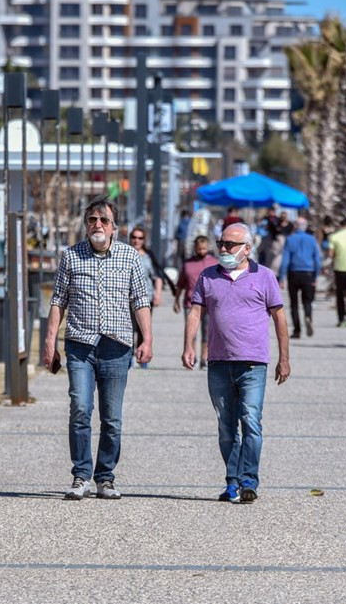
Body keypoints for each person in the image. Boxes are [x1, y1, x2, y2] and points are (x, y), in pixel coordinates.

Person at [42, 197, 152, 501]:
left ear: (115, 227)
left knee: (112, 417)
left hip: (117, 347)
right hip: (80, 346)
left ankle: (105, 477)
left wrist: (147, 339)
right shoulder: (71, 257)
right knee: (80, 408)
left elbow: (140, 301)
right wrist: (50, 342)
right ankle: (81, 474)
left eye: (104, 220)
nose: (97, 225)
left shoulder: (130, 258)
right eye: (92, 219)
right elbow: (58, 301)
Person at [182, 223, 290, 504]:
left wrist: (284, 359)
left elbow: (279, 318)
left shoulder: (265, 277)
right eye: (221, 243)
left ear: (247, 248)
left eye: (230, 244)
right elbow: (195, 313)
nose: (224, 249)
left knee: (251, 422)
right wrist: (188, 346)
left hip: (253, 364)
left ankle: (248, 481)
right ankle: (232, 481)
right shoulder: (208, 276)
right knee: (226, 426)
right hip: (218, 362)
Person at [173, 235, 217, 369]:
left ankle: (205, 359)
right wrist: (176, 300)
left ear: (208, 247)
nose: (202, 251)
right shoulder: (187, 264)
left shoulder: (214, 263)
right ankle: (191, 357)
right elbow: (181, 284)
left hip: (209, 303)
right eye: (199, 249)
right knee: (191, 332)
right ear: (195, 248)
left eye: (204, 249)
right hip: (190, 303)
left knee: (207, 333)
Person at [279, 217, 321, 339]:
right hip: (308, 272)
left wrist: (282, 276)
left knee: (294, 303)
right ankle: (308, 316)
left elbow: (285, 259)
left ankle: (297, 330)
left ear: (295, 227)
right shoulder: (312, 239)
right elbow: (317, 259)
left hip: (293, 273)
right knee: (307, 301)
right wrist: (316, 275)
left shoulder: (290, 239)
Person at [128, 225, 163, 368]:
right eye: (134, 237)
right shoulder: (124, 254)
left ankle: (142, 357)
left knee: (143, 327)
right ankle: (128, 358)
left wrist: (158, 294)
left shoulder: (148, 257)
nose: (137, 241)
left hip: (145, 298)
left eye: (140, 238)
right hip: (127, 299)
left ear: (144, 240)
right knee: (128, 328)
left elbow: (157, 277)